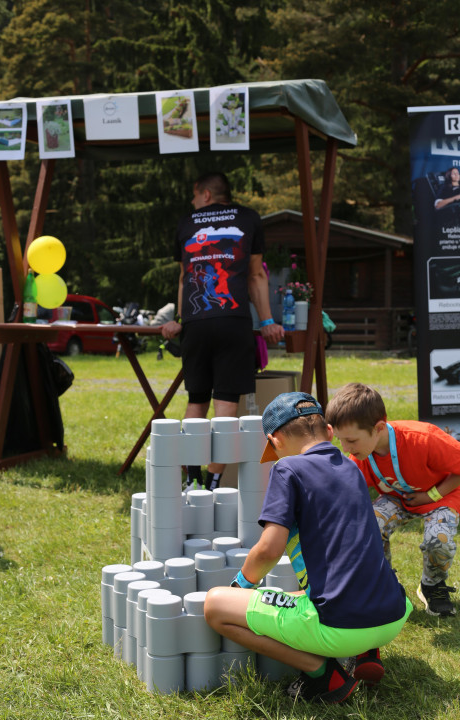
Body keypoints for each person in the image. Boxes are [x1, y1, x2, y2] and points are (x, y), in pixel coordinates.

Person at [204, 392, 412, 704]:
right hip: (393, 613)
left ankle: (323, 675)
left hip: (341, 628)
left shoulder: (287, 469)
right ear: (328, 431)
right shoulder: (351, 467)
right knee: (308, 591)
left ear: (275, 440)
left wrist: (241, 585)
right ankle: (368, 652)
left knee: (215, 605)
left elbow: (269, 549)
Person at [162, 172, 283, 490]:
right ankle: (212, 483)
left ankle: (192, 480)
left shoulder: (186, 222)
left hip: (195, 323)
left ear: (205, 194)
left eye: (194, 196)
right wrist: (267, 321)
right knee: (226, 404)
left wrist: (179, 318)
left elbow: (184, 277)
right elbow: (257, 275)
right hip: (233, 320)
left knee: (197, 400)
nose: (192, 202)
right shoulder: (249, 218)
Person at [325, 382, 460, 618]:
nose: (346, 448)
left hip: (440, 496)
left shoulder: (423, 438)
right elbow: (343, 495)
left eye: (352, 441)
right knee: (370, 527)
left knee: (438, 540)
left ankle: (433, 586)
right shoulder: (361, 456)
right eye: (340, 440)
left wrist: (431, 495)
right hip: (397, 499)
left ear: (378, 428)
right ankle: (385, 585)